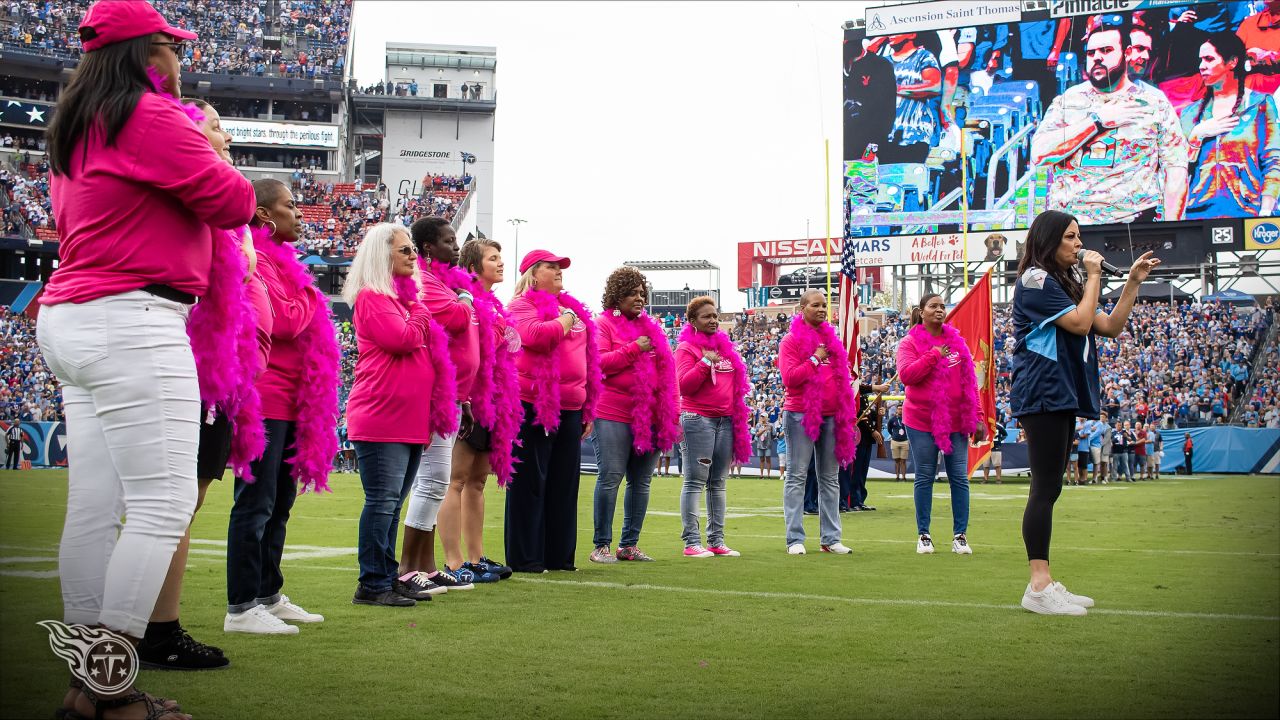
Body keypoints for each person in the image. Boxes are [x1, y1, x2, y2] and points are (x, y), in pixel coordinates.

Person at [37, 3, 250, 716]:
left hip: (73, 315)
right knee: (161, 506)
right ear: (145, 51)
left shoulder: (78, 121)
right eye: (171, 45)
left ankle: (90, 684)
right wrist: (214, 152)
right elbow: (234, 200)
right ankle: (106, 690)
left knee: (95, 510)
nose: (180, 58)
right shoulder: (150, 116)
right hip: (133, 315)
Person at [141, 97, 265, 671]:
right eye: (215, 125)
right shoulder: (192, 197)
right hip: (182, 360)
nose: (226, 136)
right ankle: (149, 629)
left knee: (186, 502)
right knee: (169, 505)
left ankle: (160, 626)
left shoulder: (223, 211)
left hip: (214, 371)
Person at [1010, 209, 1161, 615]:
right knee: (1044, 487)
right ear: (1048, 240)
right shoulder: (1034, 279)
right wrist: (1095, 276)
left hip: (1059, 390)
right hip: (1041, 390)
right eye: (1071, 238)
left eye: (1079, 238)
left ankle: (1045, 580)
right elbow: (1079, 324)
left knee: (1052, 487)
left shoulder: (1062, 281)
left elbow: (1108, 326)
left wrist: (1130, 283)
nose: (1079, 246)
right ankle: (1038, 586)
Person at [225, 178, 336, 635]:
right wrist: (311, 294)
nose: (300, 212)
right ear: (266, 214)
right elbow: (286, 320)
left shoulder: (283, 259)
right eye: (291, 206)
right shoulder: (258, 255)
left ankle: (268, 594)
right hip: (263, 398)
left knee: (279, 504)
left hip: (293, 402)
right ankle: (241, 607)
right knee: (256, 504)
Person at [342, 224, 446, 607]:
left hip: (407, 418)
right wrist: (420, 307)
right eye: (404, 250)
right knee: (382, 501)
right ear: (381, 255)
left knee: (393, 503)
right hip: (381, 415)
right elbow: (401, 340)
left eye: (412, 250)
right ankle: (371, 583)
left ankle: (385, 576)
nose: (412, 256)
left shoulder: (400, 300)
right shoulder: (373, 296)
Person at [399, 217, 492, 588]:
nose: (456, 247)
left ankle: (427, 567)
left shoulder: (441, 281)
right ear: (428, 249)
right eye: (449, 241)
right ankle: (409, 567)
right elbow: (455, 317)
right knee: (431, 481)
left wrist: (466, 397)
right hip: (436, 395)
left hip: (454, 396)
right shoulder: (426, 280)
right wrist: (467, 296)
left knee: (435, 482)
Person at [1030, 24, 1189, 224]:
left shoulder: (1153, 102)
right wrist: (1096, 121)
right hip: (1073, 229)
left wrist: (1172, 229)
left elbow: (1176, 169)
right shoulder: (1067, 101)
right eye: (1091, 53)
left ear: (1127, 53)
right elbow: (1039, 154)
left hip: (1136, 224)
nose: (1097, 57)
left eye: (1106, 51)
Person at [505, 250, 600, 573]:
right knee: (530, 482)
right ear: (533, 274)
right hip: (532, 402)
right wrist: (565, 320)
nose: (559, 271)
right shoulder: (521, 305)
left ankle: (559, 556)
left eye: (561, 267)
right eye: (551, 267)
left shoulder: (573, 309)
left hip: (571, 405)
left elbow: (590, 360)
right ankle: (526, 557)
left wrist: (589, 406)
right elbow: (534, 337)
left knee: (564, 484)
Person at [436, 238, 521, 582]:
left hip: (494, 400)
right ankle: (454, 561)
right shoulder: (464, 299)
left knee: (477, 483)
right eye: (493, 258)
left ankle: (475, 556)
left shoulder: (495, 305)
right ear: (474, 267)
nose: (501, 263)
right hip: (468, 398)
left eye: (501, 258)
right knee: (455, 480)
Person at [589, 267, 679, 564]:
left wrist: (672, 412)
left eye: (642, 292)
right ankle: (601, 545)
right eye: (632, 292)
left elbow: (669, 373)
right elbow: (598, 364)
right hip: (612, 411)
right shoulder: (603, 324)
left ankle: (629, 545)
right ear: (617, 295)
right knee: (611, 476)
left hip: (651, 415)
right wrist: (632, 349)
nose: (639, 298)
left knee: (641, 482)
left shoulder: (653, 329)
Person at [896, 293, 984, 555]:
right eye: (933, 306)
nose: (939, 310)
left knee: (959, 477)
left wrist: (978, 416)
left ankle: (960, 536)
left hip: (956, 421)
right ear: (921, 311)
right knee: (924, 475)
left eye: (943, 306)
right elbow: (907, 376)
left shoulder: (957, 341)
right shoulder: (909, 343)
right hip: (921, 421)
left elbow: (970, 382)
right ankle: (923, 534)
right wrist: (933, 356)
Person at [778, 290, 858, 555]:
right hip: (801, 413)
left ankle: (831, 538)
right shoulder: (790, 341)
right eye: (816, 305)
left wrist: (849, 415)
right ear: (802, 309)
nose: (823, 309)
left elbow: (842, 381)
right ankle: (795, 539)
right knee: (797, 475)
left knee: (830, 478)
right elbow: (790, 378)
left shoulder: (833, 342)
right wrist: (815, 358)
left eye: (825, 305)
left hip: (833, 415)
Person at [675, 296, 751, 558]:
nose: (713, 320)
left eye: (715, 316)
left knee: (718, 483)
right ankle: (691, 542)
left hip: (726, 421)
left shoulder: (726, 349)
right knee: (695, 481)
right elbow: (684, 386)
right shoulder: (686, 348)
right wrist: (705, 362)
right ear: (693, 321)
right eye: (706, 316)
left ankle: (717, 541)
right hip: (698, 420)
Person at [1178, 32, 1280, 219]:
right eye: (1200, 60)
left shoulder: (1260, 105)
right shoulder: (1190, 114)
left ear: (1232, 62)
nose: (1202, 66)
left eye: (1209, 59)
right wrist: (1196, 136)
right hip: (1197, 217)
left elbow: (1274, 161)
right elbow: (1175, 170)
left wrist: (1266, 212)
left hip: (1249, 213)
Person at [848, 380, 890, 511]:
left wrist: (878, 413)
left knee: (862, 471)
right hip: (858, 438)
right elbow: (859, 414)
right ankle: (854, 500)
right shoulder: (854, 392)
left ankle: (860, 499)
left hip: (865, 439)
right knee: (856, 471)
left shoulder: (863, 396)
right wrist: (872, 430)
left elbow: (867, 414)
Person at [982, 416, 1007, 485]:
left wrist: (1000, 440)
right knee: (985, 465)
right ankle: (985, 479)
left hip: (996, 447)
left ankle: (998, 479)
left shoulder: (998, 426)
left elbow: (1005, 434)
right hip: (986, 448)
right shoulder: (984, 425)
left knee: (997, 465)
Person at [887, 406, 909, 482]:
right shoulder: (892, 419)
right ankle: (897, 476)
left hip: (904, 441)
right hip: (895, 441)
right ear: (896, 410)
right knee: (897, 460)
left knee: (903, 460)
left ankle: (904, 477)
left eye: (902, 409)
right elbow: (889, 429)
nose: (900, 410)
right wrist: (893, 435)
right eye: (899, 409)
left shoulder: (907, 418)